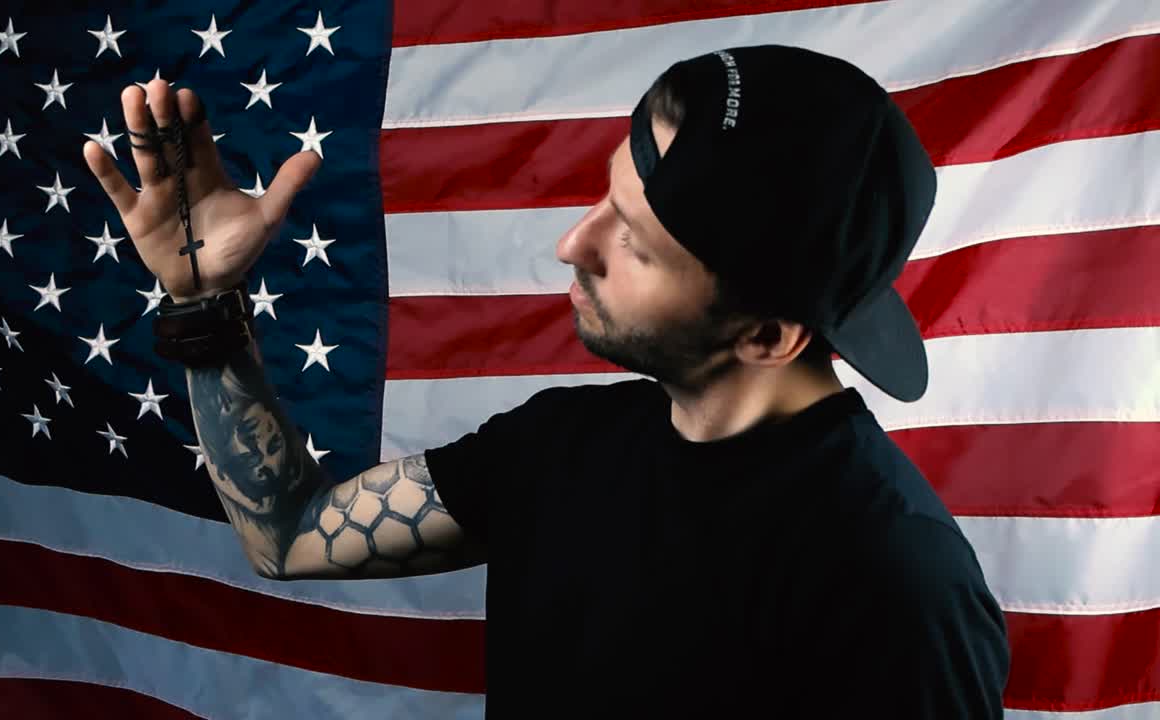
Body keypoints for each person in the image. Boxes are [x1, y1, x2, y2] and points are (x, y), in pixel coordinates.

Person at [85, 43, 1010, 718]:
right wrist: (203, 306)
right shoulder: (559, 447)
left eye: (634, 243)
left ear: (767, 334)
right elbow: (287, 536)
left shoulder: (896, 584)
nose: (576, 243)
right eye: (609, 197)